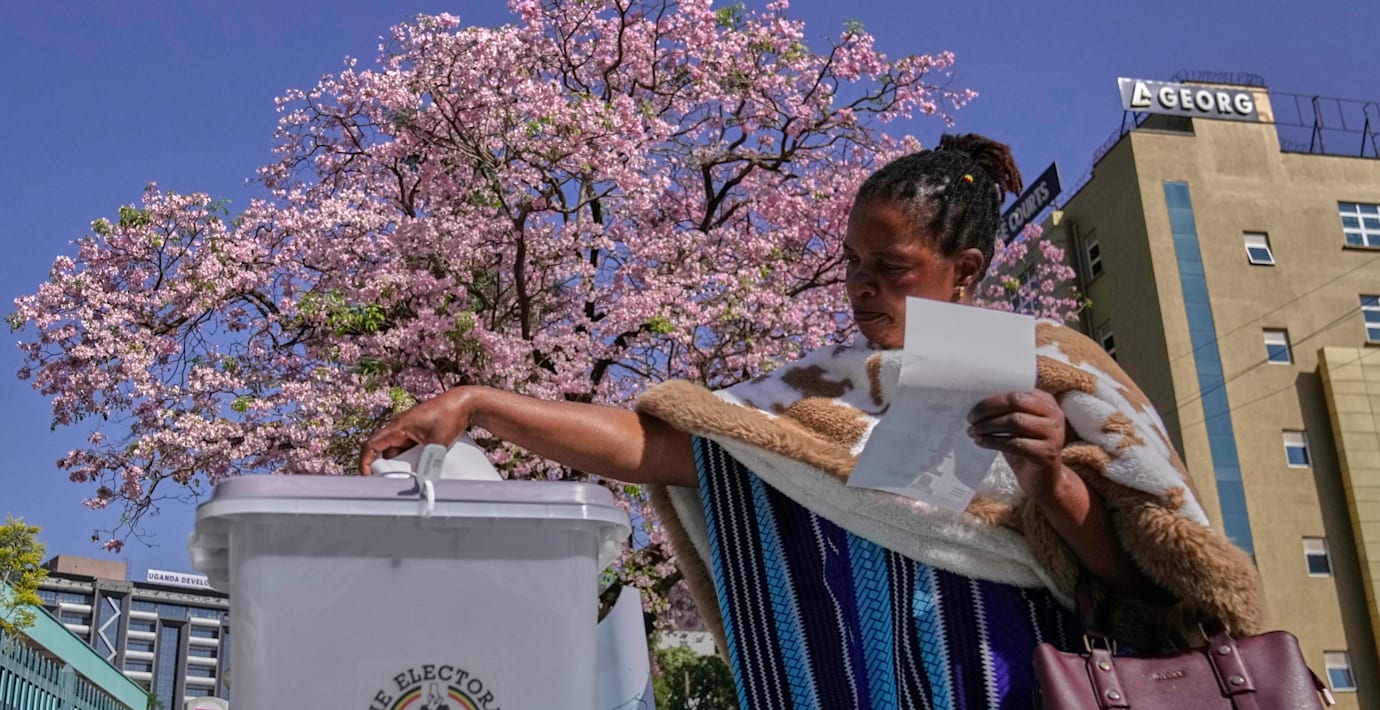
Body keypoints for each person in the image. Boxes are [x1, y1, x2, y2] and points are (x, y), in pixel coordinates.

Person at [360, 134, 1264, 708]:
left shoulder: (1055, 368)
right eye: (851, 263)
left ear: (965, 268)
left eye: (891, 266)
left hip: (1015, 685)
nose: (862, 285)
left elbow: (1138, 580)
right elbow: (663, 448)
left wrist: (1049, 476)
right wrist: (484, 404)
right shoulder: (815, 388)